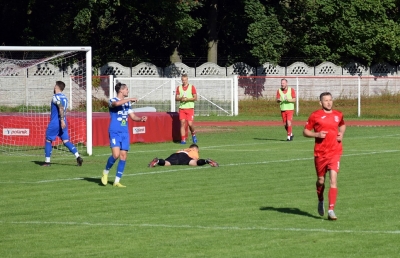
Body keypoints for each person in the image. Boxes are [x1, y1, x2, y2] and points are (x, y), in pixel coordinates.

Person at [303, 92, 346, 220]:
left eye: (330, 100)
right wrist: (316, 135)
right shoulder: (315, 115)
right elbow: (305, 131)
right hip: (320, 153)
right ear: (320, 103)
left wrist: (341, 133)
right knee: (321, 180)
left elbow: (342, 125)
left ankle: (331, 210)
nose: (328, 102)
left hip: (335, 152)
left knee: (333, 180)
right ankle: (320, 199)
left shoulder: (338, 114)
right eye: (326, 100)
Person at [101, 82, 148, 187]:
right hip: (114, 131)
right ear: (121, 90)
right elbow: (116, 104)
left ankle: (117, 181)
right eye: (126, 89)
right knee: (115, 155)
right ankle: (105, 172)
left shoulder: (127, 104)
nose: (128, 91)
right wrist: (129, 99)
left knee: (123, 156)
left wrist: (141, 119)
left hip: (124, 132)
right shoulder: (112, 100)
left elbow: (133, 116)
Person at [42, 81, 83, 166]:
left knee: (48, 140)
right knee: (66, 141)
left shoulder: (55, 97)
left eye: (55, 86)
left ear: (56, 87)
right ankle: (77, 156)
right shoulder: (65, 97)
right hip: (64, 121)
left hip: (56, 122)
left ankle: (47, 161)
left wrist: (61, 120)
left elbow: (60, 107)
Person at [148, 144, 219, 167]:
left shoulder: (184, 149)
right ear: (196, 149)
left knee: (166, 162)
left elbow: (177, 154)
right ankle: (207, 161)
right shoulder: (194, 150)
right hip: (184, 156)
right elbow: (194, 158)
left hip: (175, 154)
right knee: (195, 163)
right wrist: (197, 160)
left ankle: (157, 161)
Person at [176, 74, 198, 144]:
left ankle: (193, 134)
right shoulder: (179, 87)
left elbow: (195, 97)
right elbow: (176, 98)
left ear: (187, 79)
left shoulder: (192, 87)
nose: (184, 81)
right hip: (182, 108)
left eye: (185, 80)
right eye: (183, 80)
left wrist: (187, 99)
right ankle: (183, 139)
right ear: (181, 80)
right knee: (182, 123)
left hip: (190, 108)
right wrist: (180, 98)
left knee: (190, 124)